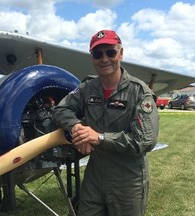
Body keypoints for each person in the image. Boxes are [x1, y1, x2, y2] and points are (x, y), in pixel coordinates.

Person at [52, 30, 159, 216]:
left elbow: (144, 140)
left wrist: (98, 138)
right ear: (92, 57)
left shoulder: (139, 92)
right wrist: (78, 129)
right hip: (95, 175)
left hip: (127, 179)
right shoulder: (87, 87)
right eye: (97, 54)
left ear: (121, 54)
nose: (104, 59)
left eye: (110, 52)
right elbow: (61, 110)